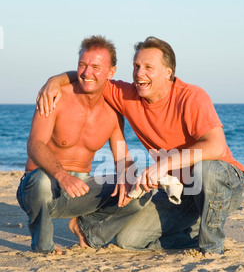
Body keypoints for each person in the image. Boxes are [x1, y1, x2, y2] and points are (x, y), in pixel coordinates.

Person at [36, 36, 244, 254]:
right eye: (136, 66)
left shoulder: (191, 97)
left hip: (225, 183)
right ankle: (194, 230)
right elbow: (92, 76)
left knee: (207, 168)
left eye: (148, 67)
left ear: (168, 72)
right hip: (182, 192)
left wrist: (164, 165)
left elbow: (216, 146)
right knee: (129, 240)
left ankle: (211, 248)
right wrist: (53, 81)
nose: (139, 73)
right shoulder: (129, 95)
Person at [17, 35, 151, 254]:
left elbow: (122, 158)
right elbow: (34, 144)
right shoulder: (56, 95)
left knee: (138, 189)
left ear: (111, 72)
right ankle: (43, 246)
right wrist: (61, 175)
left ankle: (86, 230)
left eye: (96, 67)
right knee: (41, 181)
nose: (87, 73)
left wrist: (131, 179)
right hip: (41, 186)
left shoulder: (113, 111)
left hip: (80, 191)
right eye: (82, 65)